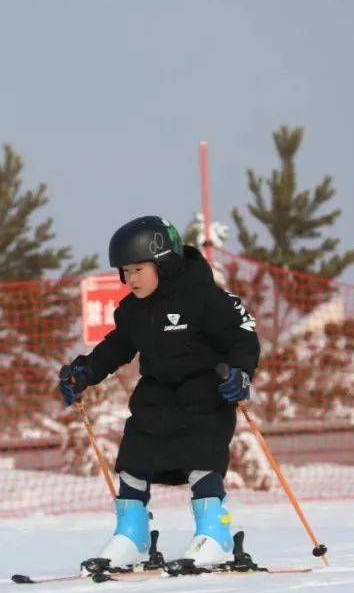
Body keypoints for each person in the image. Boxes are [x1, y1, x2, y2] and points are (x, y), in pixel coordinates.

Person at [59, 216, 260, 567]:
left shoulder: (205, 298)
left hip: (205, 392)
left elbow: (242, 336)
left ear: (164, 263)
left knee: (202, 458)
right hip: (157, 394)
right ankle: (132, 536)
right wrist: (86, 372)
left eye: (138, 269)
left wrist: (241, 373)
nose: (129, 279)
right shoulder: (133, 310)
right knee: (134, 459)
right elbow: (117, 346)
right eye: (125, 271)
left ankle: (215, 532)